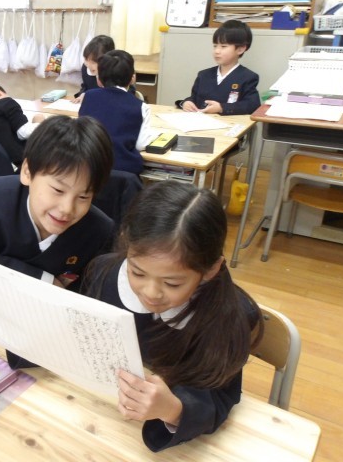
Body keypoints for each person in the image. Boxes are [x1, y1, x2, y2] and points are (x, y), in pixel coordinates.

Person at [81, 180, 263, 452]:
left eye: (172, 283)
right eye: (137, 272)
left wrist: (174, 410)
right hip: (94, 415)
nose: (151, 292)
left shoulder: (229, 318)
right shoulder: (104, 274)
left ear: (211, 269)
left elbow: (219, 398)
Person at [0, 114, 114, 291]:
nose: (67, 209)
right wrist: (45, 280)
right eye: (58, 190)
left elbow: (91, 290)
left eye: (83, 197)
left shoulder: (99, 231)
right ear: (27, 172)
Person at [79, 50, 150, 176]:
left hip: (87, 169)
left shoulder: (87, 97)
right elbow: (141, 145)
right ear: (132, 79)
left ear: (99, 80)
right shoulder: (140, 106)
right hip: (123, 172)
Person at [176, 20, 260, 115]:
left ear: (240, 49)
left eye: (223, 46)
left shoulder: (248, 77)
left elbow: (252, 105)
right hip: (201, 121)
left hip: (229, 122)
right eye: (215, 46)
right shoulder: (204, 75)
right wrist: (186, 103)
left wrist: (221, 108)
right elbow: (194, 98)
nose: (217, 51)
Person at [0, 79, 45, 166]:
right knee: (40, 119)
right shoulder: (7, 102)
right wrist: (40, 123)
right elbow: (24, 133)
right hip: (20, 163)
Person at [72, 35, 114, 103]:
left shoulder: (116, 71)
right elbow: (85, 86)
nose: (89, 65)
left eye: (93, 62)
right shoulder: (85, 67)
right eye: (86, 59)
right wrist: (82, 95)